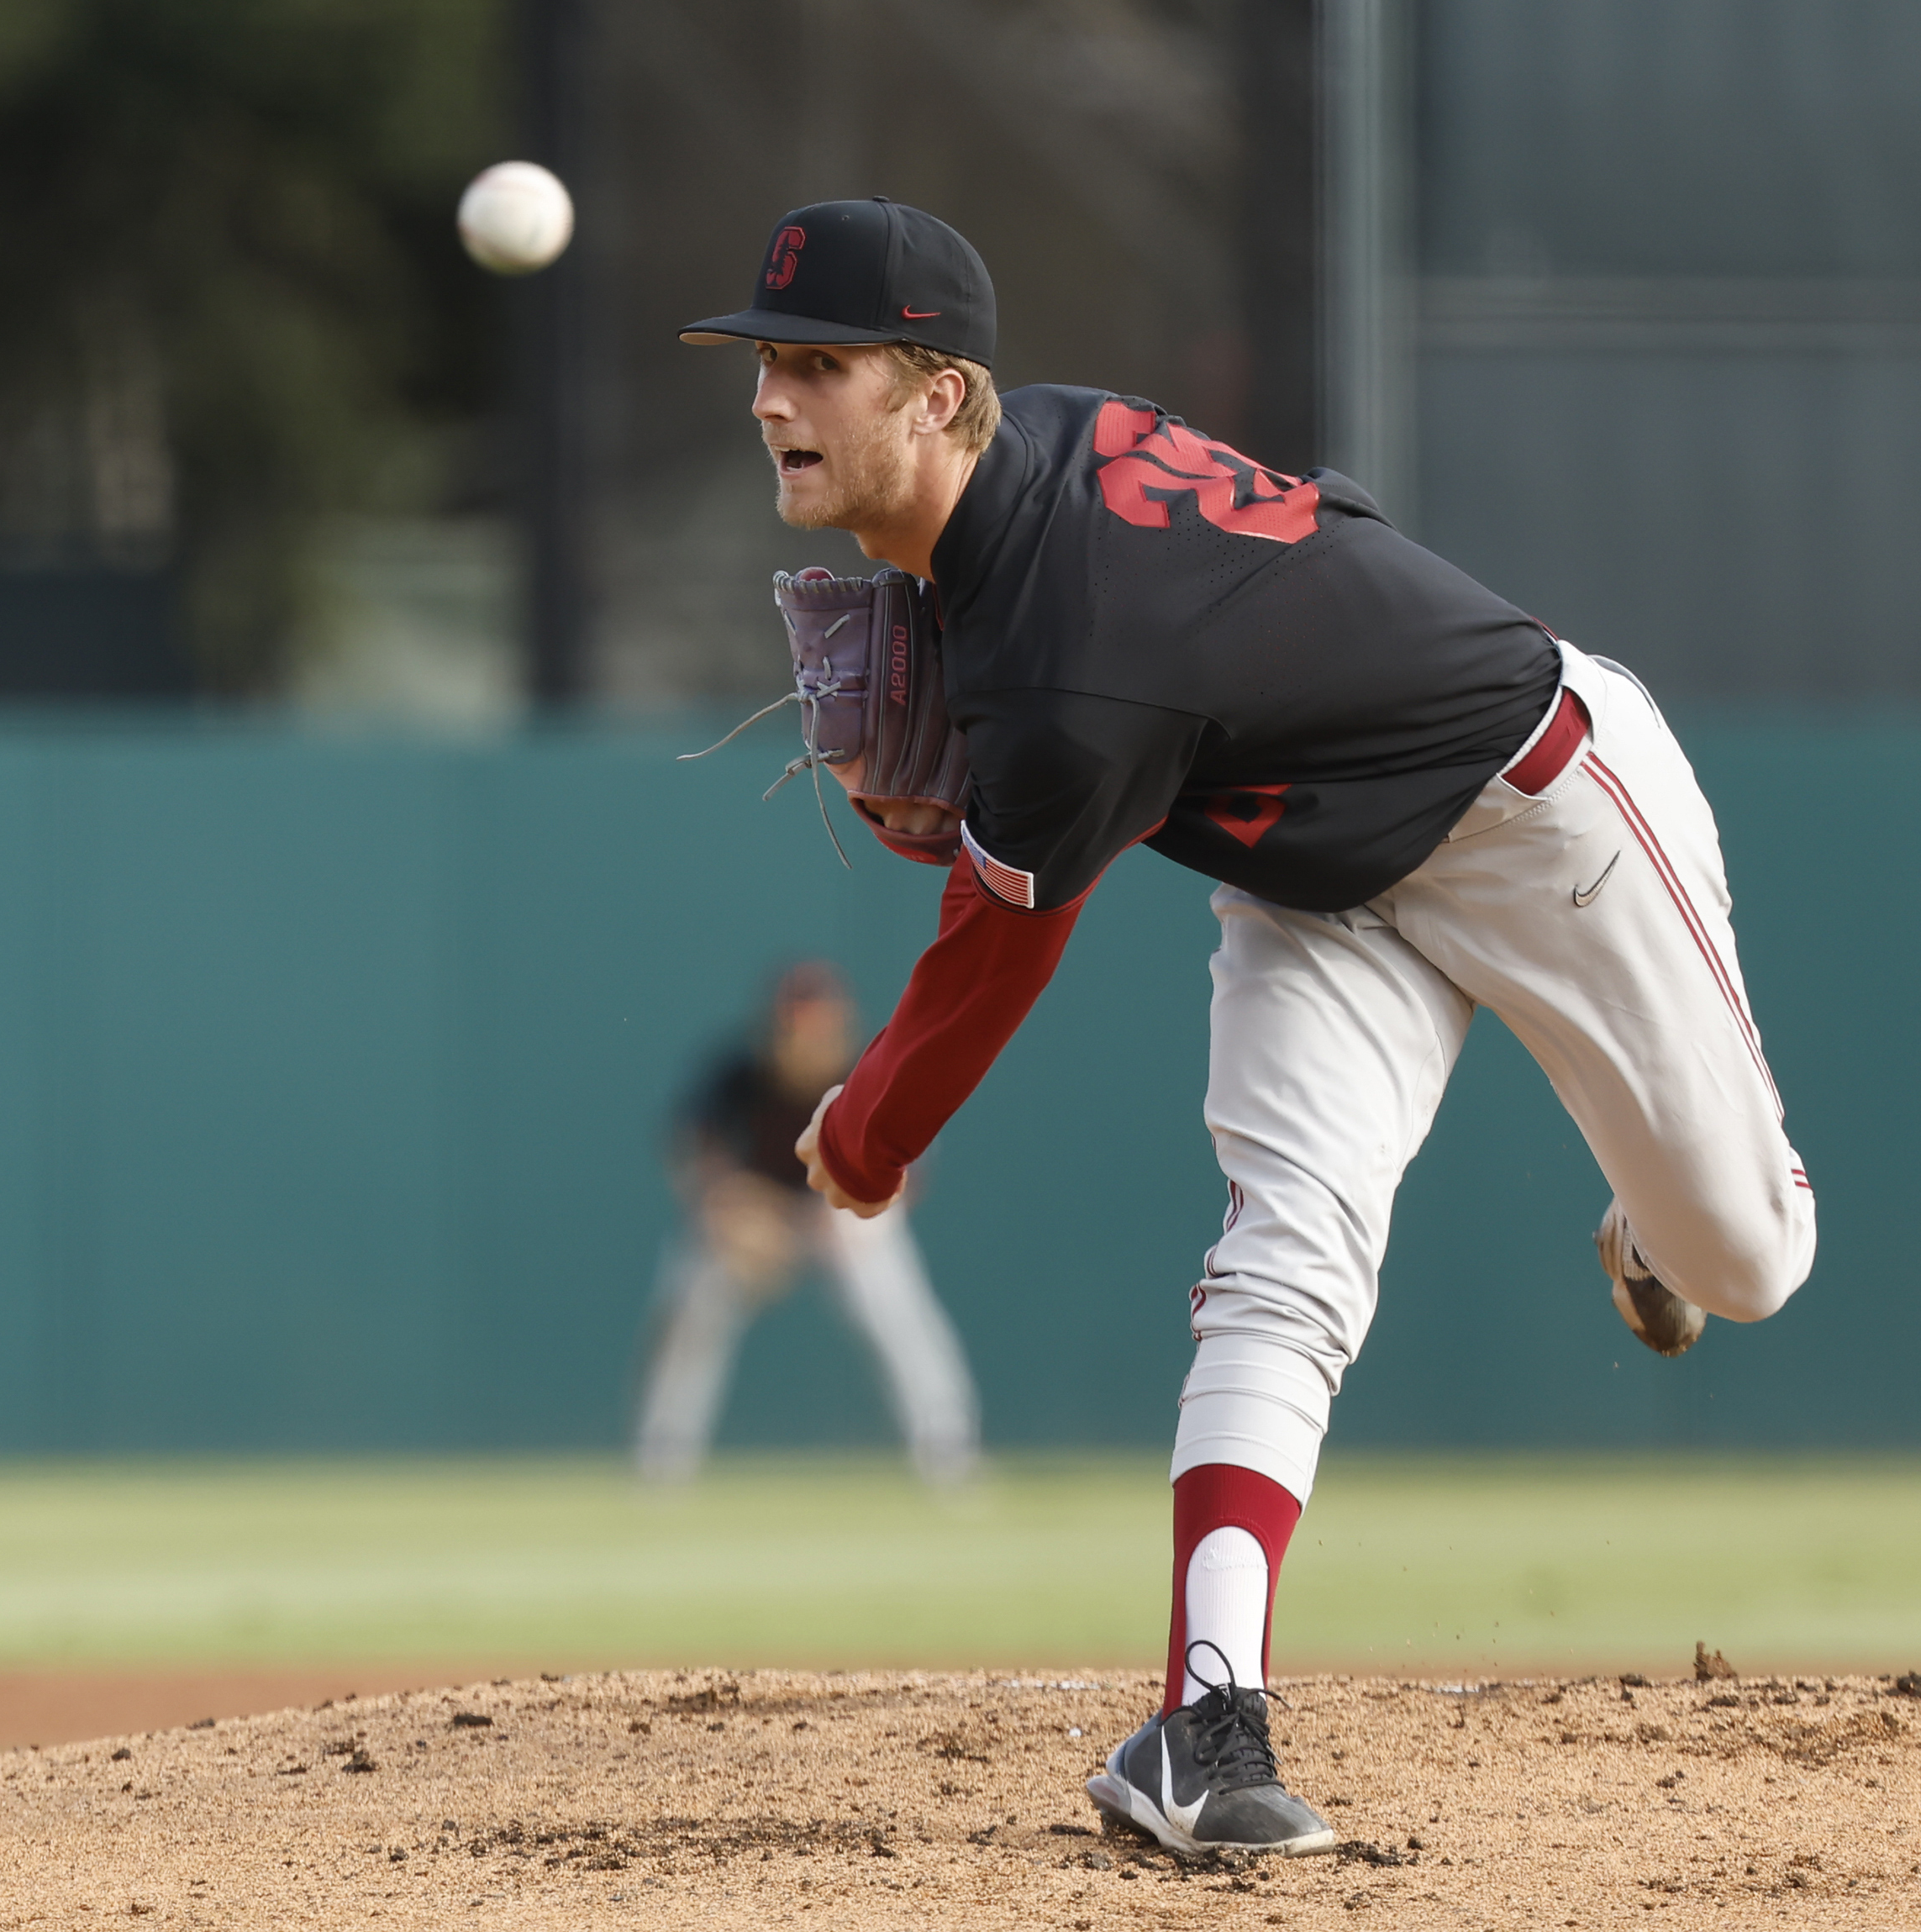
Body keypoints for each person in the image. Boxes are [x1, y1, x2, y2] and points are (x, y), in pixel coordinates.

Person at [680, 199, 1818, 1856]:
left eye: (819, 366)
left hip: (1540, 811)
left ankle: (1653, 1215)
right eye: (766, 365)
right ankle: (1204, 1731)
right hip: (1311, 873)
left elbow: (1000, 947)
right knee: (1282, 1257)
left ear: (934, 394)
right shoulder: (1027, 462)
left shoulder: (1073, 675)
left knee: (1742, 1266)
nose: (775, 401)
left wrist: (863, 1134)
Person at [636, 959, 981, 1485]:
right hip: (757, 1218)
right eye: (796, 1026)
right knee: (693, 1302)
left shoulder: (869, 1069)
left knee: (893, 1302)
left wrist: (854, 1216)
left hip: (845, 1213)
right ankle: (661, 1461)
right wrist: (729, 1210)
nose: (809, 1037)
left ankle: (949, 1451)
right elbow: (693, 1157)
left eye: (821, 1023)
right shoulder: (739, 1074)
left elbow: (915, 1172)